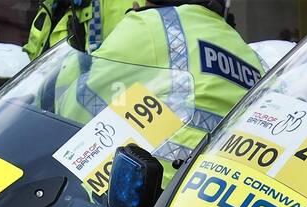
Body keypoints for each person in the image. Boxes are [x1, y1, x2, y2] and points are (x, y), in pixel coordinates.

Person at [57, 0, 262, 150]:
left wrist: (75, 60)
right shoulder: (251, 56)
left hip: (155, 193)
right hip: (212, 196)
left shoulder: (151, 25)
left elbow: (73, 108)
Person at [25, 0, 134, 59]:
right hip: (49, 96)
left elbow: (122, 67)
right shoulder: (51, 4)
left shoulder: (119, 4)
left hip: (89, 97)